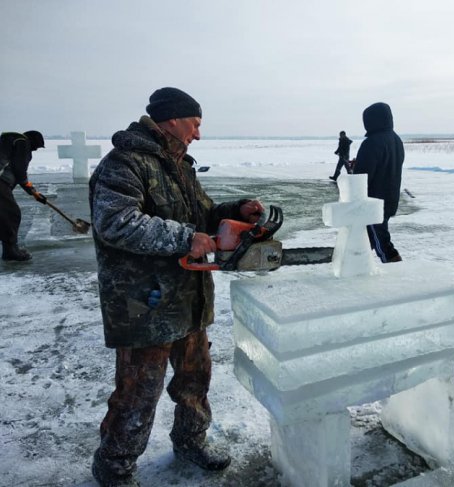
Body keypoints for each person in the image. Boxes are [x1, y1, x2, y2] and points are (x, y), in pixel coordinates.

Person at [89, 87, 264, 487]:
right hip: (144, 301)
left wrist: (234, 211)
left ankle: (191, 441)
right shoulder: (125, 164)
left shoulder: (179, 166)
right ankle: (114, 466)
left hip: (188, 297)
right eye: (195, 124)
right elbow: (116, 222)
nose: (198, 134)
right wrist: (186, 238)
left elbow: (200, 214)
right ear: (171, 120)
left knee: (194, 379)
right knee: (138, 391)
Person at [353, 102, 404, 263]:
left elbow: (361, 176)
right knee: (369, 238)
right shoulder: (396, 140)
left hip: (373, 201)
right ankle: (359, 264)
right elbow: (386, 165)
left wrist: (355, 167)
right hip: (390, 196)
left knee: (382, 241)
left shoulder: (372, 142)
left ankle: (395, 266)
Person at [0, 130, 47, 261]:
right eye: (36, 147)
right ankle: (10, 252)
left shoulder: (9, 142)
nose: (35, 150)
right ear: (33, 142)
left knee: (6, 215)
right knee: (12, 214)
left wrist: (33, 191)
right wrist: (32, 190)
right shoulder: (23, 142)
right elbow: (20, 170)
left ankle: (9, 250)